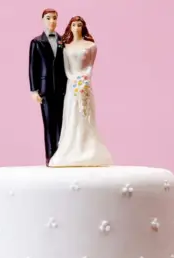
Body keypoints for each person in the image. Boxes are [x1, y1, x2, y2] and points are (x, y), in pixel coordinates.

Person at [48, 16, 113, 167]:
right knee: (72, 114)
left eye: (79, 25)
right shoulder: (66, 47)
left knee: (86, 114)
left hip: (85, 84)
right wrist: (75, 80)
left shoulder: (91, 46)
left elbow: (90, 66)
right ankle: (71, 149)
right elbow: (67, 69)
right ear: (70, 27)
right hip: (72, 86)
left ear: (83, 27)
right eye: (74, 25)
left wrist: (84, 79)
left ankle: (88, 149)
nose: (76, 28)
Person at [28, 8, 67, 166]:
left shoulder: (63, 41)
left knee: (63, 123)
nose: (52, 21)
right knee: (49, 124)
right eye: (49, 18)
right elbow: (32, 68)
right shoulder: (37, 42)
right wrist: (34, 90)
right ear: (43, 20)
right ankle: (50, 156)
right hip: (45, 89)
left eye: (54, 18)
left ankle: (63, 154)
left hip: (63, 89)